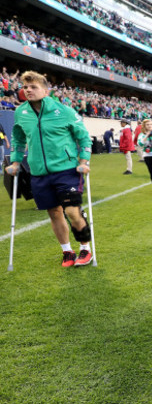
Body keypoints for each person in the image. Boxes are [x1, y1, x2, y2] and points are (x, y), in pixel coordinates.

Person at [5, 70, 93, 267]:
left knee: (72, 211)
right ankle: (67, 252)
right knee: (54, 213)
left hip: (67, 170)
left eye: (33, 87)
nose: (28, 90)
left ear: (46, 91)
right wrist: (16, 162)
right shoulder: (21, 112)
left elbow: (83, 137)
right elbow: (18, 139)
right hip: (39, 173)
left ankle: (85, 249)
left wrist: (84, 161)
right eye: (25, 87)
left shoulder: (64, 111)